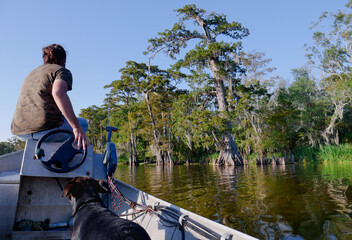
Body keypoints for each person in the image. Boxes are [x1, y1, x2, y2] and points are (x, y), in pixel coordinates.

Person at [11, 44, 89, 150]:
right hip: (45, 130)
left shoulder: (32, 74)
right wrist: (76, 127)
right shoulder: (60, 70)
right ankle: (64, 161)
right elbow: (58, 93)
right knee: (83, 124)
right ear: (63, 60)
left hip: (20, 131)